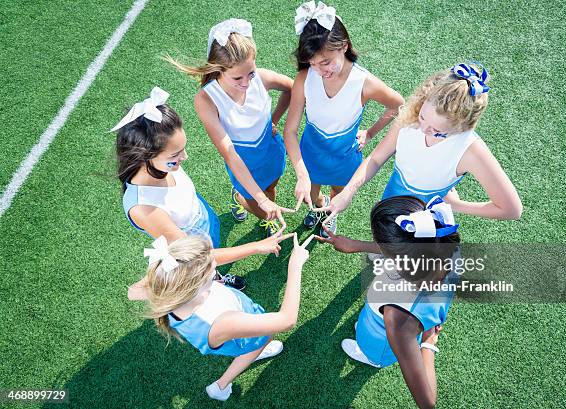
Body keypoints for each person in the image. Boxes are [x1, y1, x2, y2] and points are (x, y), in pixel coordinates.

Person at [112, 87, 291, 299]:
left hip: (203, 219)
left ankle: (214, 275)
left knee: (213, 256)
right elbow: (198, 257)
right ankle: (213, 279)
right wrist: (256, 247)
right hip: (192, 247)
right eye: (176, 154)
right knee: (203, 271)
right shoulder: (143, 208)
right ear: (145, 156)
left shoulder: (162, 165)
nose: (185, 157)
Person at [317, 62, 523, 222]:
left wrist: (457, 206)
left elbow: (511, 209)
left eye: (438, 131)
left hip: (424, 219)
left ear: (462, 127)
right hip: (391, 198)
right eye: (423, 117)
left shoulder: (470, 151)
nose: (423, 129)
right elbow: (376, 158)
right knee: (383, 239)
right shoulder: (411, 113)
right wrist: (349, 192)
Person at [317, 195, 460, 409]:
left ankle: (370, 358)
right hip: (391, 320)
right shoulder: (442, 245)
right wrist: (356, 245)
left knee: (370, 347)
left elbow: (428, 403)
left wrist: (428, 344)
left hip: (383, 340)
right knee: (367, 323)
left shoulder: (397, 319)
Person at [143, 233, 312, 401]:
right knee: (264, 338)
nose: (216, 264)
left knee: (260, 339)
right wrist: (295, 265)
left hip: (224, 324)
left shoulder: (165, 282)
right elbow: (287, 320)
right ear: (195, 287)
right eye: (212, 270)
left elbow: (134, 292)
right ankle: (220, 386)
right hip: (241, 335)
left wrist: (255, 246)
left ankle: (241, 365)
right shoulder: (223, 321)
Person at [283, 1, 404, 237]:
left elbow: (399, 105)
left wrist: (370, 132)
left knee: (339, 190)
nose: (319, 70)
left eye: (326, 62)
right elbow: (290, 131)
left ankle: (330, 215)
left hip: (344, 154)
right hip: (311, 150)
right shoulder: (304, 78)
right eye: (313, 63)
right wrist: (301, 174)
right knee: (314, 193)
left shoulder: (364, 82)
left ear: (343, 46)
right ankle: (320, 207)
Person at [168, 18, 294, 237]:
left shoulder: (261, 78)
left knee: (271, 188)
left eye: (251, 73)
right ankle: (239, 198)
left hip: (271, 151)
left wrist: (274, 120)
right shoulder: (207, 100)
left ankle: (260, 204)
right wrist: (262, 201)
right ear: (218, 70)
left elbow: (292, 89)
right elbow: (230, 154)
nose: (246, 83)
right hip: (241, 160)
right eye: (237, 77)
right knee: (258, 205)